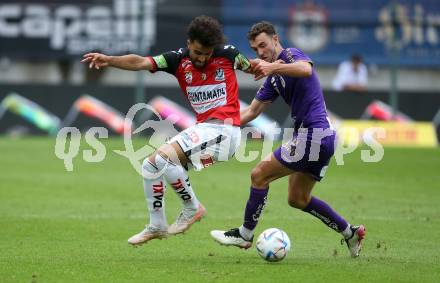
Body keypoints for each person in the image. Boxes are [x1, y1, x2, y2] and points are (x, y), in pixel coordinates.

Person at [81, 15, 252, 246]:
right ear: (190, 42)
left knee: (163, 157)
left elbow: (254, 66)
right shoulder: (176, 60)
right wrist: (109, 60)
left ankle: (192, 208)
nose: (202, 58)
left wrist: (276, 68)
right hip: (207, 134)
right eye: (199, 51)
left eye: (207, 53)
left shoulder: (228, 54)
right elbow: (140, 62)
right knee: (151, 165)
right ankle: (157, 225)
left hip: (224, 131)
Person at [210, 21, 366, 257]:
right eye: (255, 50)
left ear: (275, 39)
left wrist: (272, 68)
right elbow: (251, 112)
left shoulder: (291, 55)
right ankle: (349, 232)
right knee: (298, 198)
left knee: (259, 175)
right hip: (321, 138)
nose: (261, 53)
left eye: (263, 45)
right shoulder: (273, 79)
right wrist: (215, 126)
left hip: (314, 134)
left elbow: (306, 70)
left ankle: (245, 234)